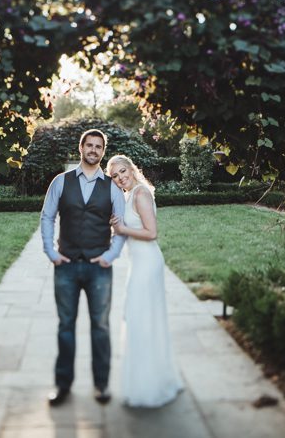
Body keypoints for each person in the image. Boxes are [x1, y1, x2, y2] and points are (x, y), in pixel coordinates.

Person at [40, 129, 126, 406]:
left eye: (98, 147)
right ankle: (62, 385)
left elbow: (121, 227)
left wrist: (111, 255)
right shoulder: (61, 182)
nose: (93, 150)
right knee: (65, 326)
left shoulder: (112, 187)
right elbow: (47, 216)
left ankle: (101, 385)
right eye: (89, 145)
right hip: (65, 265)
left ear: (103, 152)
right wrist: (51, 252)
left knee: (100, 327)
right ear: (81, 148)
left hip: (99, 268)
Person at [106, 154, 184, 407]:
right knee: (140, 319)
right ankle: (151, 378)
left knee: (141, 319)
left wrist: (122, 229)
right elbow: (129, 231)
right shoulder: (129, 196)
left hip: (148, 265)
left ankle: (151, 385)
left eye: (122, 172)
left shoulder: (140, 194)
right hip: (137, 264)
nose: (120, 178)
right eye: (115, 176)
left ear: (131, 169)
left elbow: (151, 233)